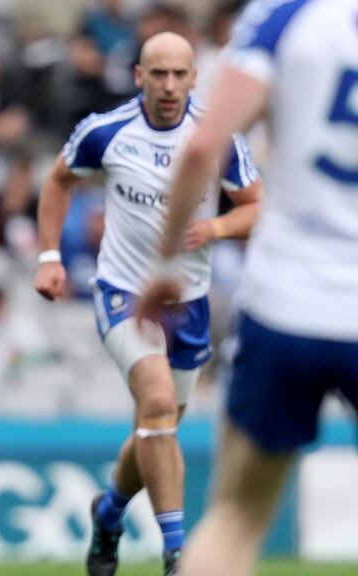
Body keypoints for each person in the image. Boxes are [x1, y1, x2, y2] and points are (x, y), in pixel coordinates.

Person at [135, 2, 358, 575]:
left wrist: (163, 266)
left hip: (286, 303)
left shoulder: (285, 18)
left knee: (236, 516)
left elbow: (204, 147)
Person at [33, 32, 262, 576]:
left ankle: (109, 512)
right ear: (139, 77)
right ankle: (177, 551)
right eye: (158, 74)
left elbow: (256, 206)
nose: (168, 85)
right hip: (123, 293)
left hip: (190, 304)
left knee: (157, 426)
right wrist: (48, 255)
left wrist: (217, 225)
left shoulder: (217, 138)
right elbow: (57, 182)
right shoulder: (106, 132)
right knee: (157, 404)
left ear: (194, 78)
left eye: (179, 74)